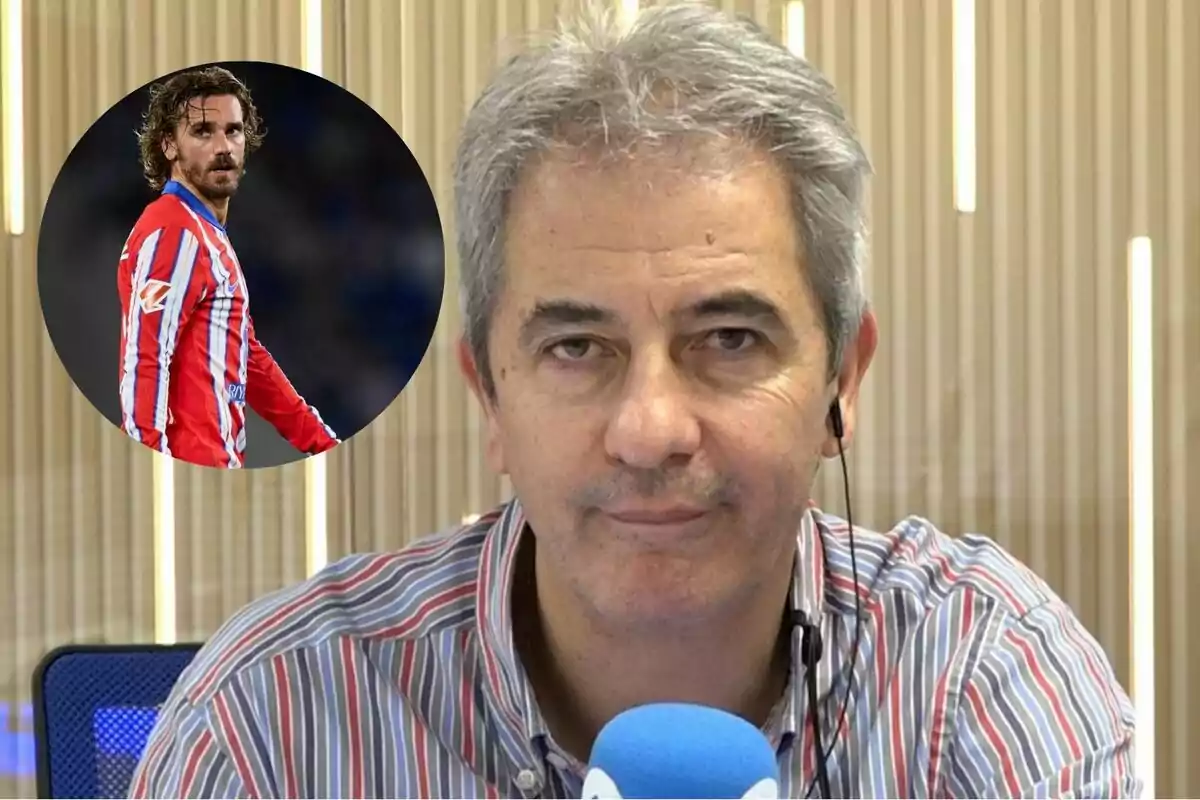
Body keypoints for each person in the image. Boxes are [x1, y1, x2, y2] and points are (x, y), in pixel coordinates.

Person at [128, 4, 1138, 798]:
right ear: (490, 396)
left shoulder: (974, 673)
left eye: (729, 337)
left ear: (842, 381)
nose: (651, 427)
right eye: (577, 346)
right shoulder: (272, 723)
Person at [117, 66, 339, 469]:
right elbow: (145, 356)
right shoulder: (176, 232)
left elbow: (247, 358)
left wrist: (322, 442)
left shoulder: (204, 233)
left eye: (233, 131)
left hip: (220, 460)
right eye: (203, 132)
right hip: (196, 466)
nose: (223, 146)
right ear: (169, 145)